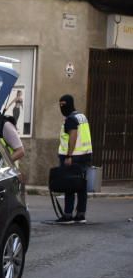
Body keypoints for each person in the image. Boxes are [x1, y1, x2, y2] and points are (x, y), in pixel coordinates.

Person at [56, 94, 93, 224]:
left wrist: (69, 155)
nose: (61, 107)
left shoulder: (71, 119)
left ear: (70, 104)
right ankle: (81, 214)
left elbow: (73, 135)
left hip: (74, 156)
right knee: (81, 185)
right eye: (60, 104)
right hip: (85, 155)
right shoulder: (81, 116)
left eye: (63, 104)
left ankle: (67, 215)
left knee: (69, 185)